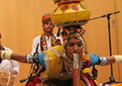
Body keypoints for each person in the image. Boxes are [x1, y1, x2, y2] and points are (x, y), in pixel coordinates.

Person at [0, 26, 122, 86]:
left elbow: (105, 60)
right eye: (71, 45)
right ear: (65, 46)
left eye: (79, 44)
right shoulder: (52, 57)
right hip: (50, 82)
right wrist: (4, 54)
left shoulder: (86, 58)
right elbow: (26, 58)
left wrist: (120, 58)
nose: (75, 49)